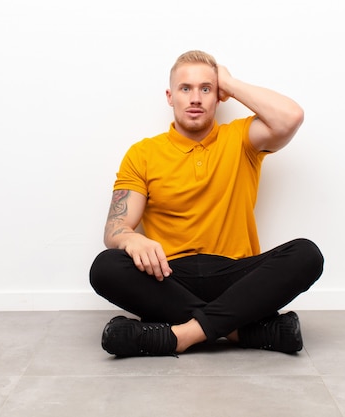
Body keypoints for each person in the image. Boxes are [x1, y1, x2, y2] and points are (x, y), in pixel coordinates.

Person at [89, 50, 324, 358]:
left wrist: (229, 81)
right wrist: (131, 238)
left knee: (306, 255)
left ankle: (180, 335)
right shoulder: (143, 153)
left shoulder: (241, 138)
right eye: (186, 89)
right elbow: (115, 227)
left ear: (218, 97)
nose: (195, 98)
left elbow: (290, 117)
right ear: (170, 97)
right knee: (105, 267)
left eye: (206, 88)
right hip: (169, 278)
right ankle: (241, 329)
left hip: (236, 278)